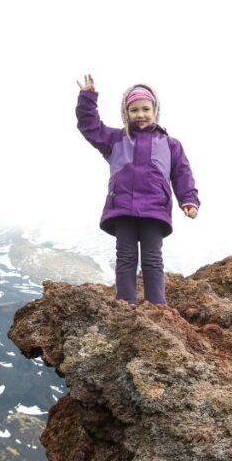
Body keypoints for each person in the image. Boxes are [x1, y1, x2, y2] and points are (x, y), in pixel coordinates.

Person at [75, 73, 201, 306]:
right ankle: (125, 305)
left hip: (155, 209)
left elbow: (182, 174)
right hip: (122, 208)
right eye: (134, 110)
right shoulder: (114, 139)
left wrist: (189, 200)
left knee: (153, 259)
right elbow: (89, 126)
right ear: (126, 113)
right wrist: (88, 98)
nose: (140, 115)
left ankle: (157, 307)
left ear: (155, 110)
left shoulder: (170, 144)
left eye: (145, 109)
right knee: (126, 258)